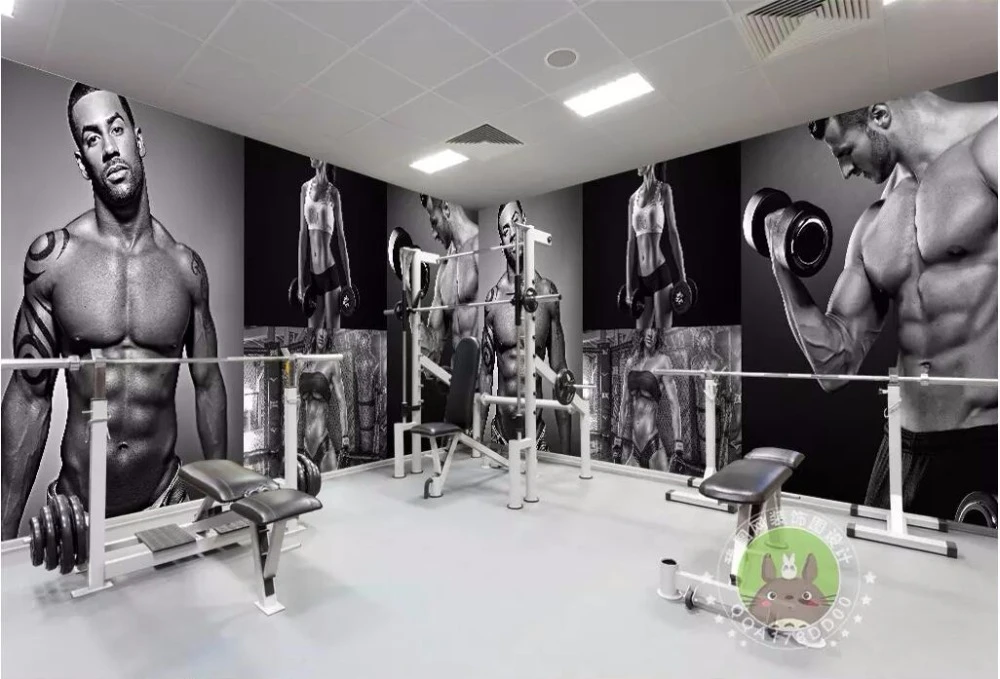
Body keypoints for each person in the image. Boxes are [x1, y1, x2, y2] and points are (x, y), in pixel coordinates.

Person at [1, 83, 227, 539]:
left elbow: (208, 384)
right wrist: (3, 537)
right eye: (92, 138)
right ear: (81, 161)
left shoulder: (186, 269)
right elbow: (29, 397)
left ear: (138, 140)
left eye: (117, 129)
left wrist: (222, 495)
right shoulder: (55, 261)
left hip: (166, 503)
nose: (108, 148)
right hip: (77, 513)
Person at [770, 92, 997, 518]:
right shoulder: (875, 219)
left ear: (879, 115)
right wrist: (780, 263)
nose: (845, 171)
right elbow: (834, 366)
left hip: (985, 445)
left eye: (845, 152)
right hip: (900, 448)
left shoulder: (990, 143)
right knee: (880, 563)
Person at [480, 201, 570, 453]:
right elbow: (484, 375)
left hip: (536, 438)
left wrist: (568, 458)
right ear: (501, 241)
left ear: (526, 222)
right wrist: (476, 445)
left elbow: (561, 373)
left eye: (516, 221)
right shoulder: (493, 301)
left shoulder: (547, 294)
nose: (512, 233)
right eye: (505, 229)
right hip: (500, 437)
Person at [625, 163, 687, 330]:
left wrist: (682, 277)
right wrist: (629, 285)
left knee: (662, 337)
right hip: (641, 279)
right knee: (641, 339)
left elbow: (673, 233)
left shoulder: (664, 190)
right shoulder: (633, 199)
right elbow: (631, 244)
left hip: (659, 273)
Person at [418, 194, 479, 365]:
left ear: (446, 209)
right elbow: (432, 351)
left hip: (484, 378)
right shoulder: (445, 268)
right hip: (458, 377)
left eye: (434, 222)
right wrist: (409, 294)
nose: (433, 234)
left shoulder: (481, 249)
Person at [613, 329, 684, 471]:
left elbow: (674, 405)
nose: (650, 334)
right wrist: (618, 441)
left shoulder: (663, 361)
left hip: (652, 444)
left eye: (654, 330)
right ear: (641, 332)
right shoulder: (631, 363)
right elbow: (624, 404)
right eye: (647, 329)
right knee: (624, 482)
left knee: (663, 485)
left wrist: (678, 445)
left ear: (658, 334)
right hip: (635, 448)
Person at [297, 159, 352, 331]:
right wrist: (300, 280)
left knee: (332, 337)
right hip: (313, 277)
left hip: (329, 274)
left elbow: (341, 238)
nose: (311, 157)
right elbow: (303, 235)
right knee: (312, 336)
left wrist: (349, 282)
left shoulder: (333, 193)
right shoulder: (305, 188)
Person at [298, 328, 349, 472]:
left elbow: (342, 402)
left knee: (331, 485)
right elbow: (296, 403)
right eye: (320, 329)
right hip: (305, 446)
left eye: (326, 330)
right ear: (314, 332)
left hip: (323, 444)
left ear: (329, 335)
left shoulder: (332, 362)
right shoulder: (303, 362)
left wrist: (345, 436)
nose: (322, 334)